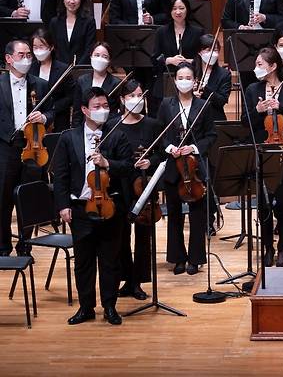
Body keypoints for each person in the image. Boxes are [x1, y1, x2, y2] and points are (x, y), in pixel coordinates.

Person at [52, 86, 133, 326]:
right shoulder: (69, 138)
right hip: (80, 207)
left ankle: (110, 306)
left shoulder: (117, 135)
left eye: (106, 106)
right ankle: (86, 307)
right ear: (85, 110)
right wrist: (63, 205)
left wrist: (108, 163)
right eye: (97, 107)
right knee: (83, 262)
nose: (102, 111)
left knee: (110, 260)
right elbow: (61, 176)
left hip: (110, 207)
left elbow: (128, 166)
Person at [242, 47, 283, 267]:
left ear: (272, 67)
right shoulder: (253, 90)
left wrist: (282, 109)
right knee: (263, 204)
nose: (256, 68)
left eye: (261, 64)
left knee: (282, 203)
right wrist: (258, 110)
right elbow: (245, 124)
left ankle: (282, 248)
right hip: (262, 152)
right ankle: (267, 247)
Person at [157, 62, 216, 276]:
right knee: (174, 214)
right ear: (175, 80)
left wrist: (193, 147)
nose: (184, 81)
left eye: (188, 78)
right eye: (180, 77)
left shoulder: (203, 105)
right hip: (174, 166)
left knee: (197, 214)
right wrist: (170, 147)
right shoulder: (166, 104)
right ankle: (178, 258)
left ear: (194, 81)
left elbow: (211, 135)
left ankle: (196, 259)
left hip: (195, 168)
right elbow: (160, 132)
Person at [0, 39, 52, 256]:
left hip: (33, 146)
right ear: (9, 59)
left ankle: (25, 245)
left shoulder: (39, 84)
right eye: (21, 55)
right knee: (3, 198)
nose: (27, 59)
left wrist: (44, 116)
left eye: (29, 55)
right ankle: (2, 246)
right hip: (6, 146)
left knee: (28, 197)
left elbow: (52, 111)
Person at [115, 80, 162, 301]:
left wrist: (149, 162)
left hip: (145, 185)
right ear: (122, 100)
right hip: (121, 185)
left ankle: (138, 282)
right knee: (122, 236)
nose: (137, 99)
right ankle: (127, 278)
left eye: (140, 95)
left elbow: (161, 154)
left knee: (144, 237)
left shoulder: (153, 125)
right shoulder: (113, 125)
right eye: (132, 95)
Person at [152, 0, 204, 113]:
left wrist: (190, 61)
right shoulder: (161, 32)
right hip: (167, 78)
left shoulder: (197, 32)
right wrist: (169, 60)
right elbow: (154, 59)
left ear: (187, 9)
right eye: (174, 8)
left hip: (188, 79)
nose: (178, 12)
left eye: (181, 8)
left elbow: (201, 58)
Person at [28, 28, 75, 132]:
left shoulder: (63, 69)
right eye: (35, 47)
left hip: (59, 119)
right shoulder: (30, 68)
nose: (38, 50)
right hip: (35, 120)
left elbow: (71, 96)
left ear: (51, 47)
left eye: (41, 46)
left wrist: (53, 107)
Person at [72, 42, 121, 128]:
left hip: (108, 127)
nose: (100, 59)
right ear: (91, 56)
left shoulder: (116, 83)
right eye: (97, 55)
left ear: (109, 60)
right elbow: (77, 112)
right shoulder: (82, 80)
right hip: (85, 127)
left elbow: (118, 112)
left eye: (104, 56)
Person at [48, 0, 96, 65]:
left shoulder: (89, 22)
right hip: (59, 69)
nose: (72, 1)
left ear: (81, 0)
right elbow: (53, 48)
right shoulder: (54, 22)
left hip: (81, 69)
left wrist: (77, 68)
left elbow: (89, 49)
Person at [192, 34, 232, 122]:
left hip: (214, 117)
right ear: (199, 52)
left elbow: (222, 100)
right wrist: (192, 96)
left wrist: (205, 89)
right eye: (208, 50)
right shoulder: (190, 70)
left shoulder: (224, 74)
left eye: (215, 50)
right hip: (192, 116)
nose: (212, 53)